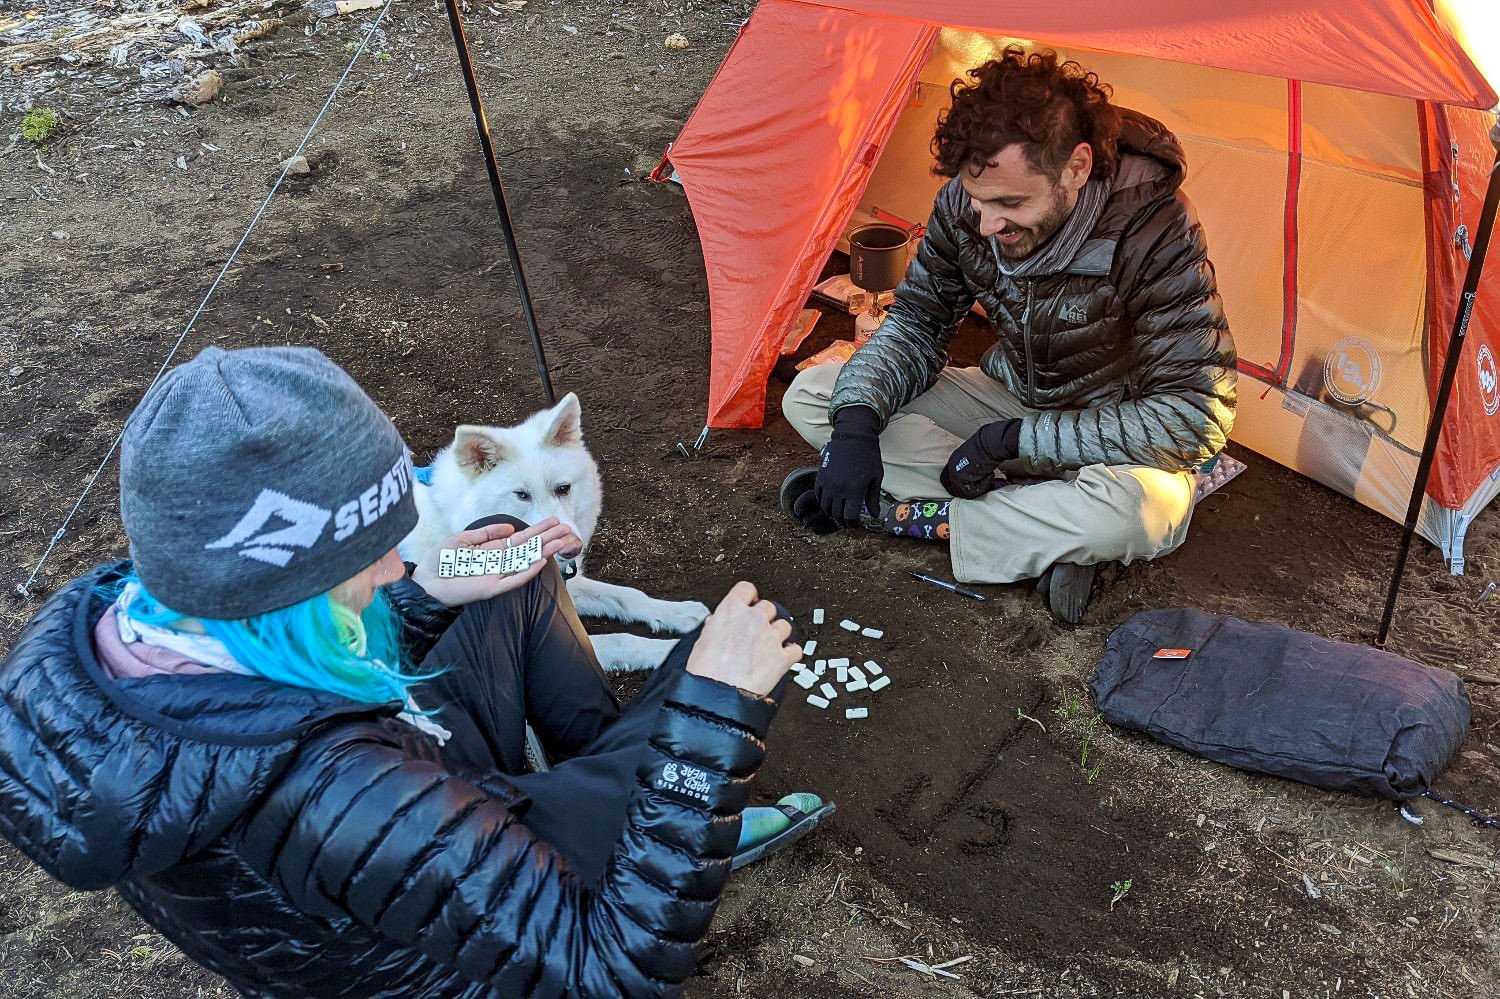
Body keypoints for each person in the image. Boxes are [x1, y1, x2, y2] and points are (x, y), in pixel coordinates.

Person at [0, 346, 814, 998]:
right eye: (371, 549)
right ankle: (650, 832)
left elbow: (320, 687)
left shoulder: (118, 624)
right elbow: (610, 976)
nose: (395, 565)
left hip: (380, 864)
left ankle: (616, 810)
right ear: (285, 583)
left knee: (517, 556)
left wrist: (430, 595)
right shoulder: (336, 793)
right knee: (702, 681)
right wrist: (709, 727)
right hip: (454, 953)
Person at [781, 48, 1237, 623]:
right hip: (1006, 396)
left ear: (1076, 167)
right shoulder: (967, 204)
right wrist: (855, 426)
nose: (988, 225)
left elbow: (1195, 416)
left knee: (1143, 514)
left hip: (1113, 437)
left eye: (1011, 203)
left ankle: (902, 515)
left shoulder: (1157, 229)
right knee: (819, 395)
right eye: (977, 200)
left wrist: (1014, 442)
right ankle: (1040, 533)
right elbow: (919, 322)